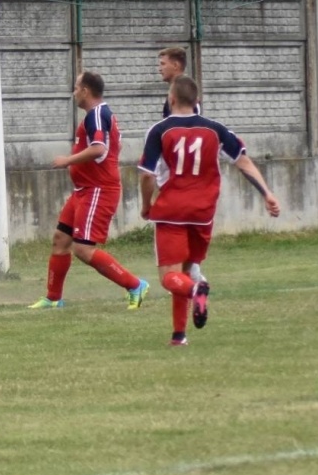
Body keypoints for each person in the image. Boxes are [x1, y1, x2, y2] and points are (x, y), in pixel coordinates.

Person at [139, 75, 280, 346]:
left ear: (171, 100)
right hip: (203, 213)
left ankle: (196, 289)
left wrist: (146, 205)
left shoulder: (160, 130)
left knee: (169, 277)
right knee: (186, 267)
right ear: (197, 101)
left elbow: (146, 175)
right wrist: (267, 193)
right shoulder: (216, 129)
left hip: (171, 211)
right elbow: (243, 162)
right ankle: (179, 336)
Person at [29, 72, 148, 310]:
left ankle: (135, 284)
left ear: (85, 90)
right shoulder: (99, 114)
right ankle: (53, 298)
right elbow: (108, 146)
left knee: (82, 248)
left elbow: (98, 148)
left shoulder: (96, 114)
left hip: (98, 190)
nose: (73, 92)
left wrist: (68, 160)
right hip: (84, 190)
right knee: (61, 240)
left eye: (76, 88)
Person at [157, 46, 208, 294]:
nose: (160, 67)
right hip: (174, 176)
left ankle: (193, 279)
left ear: (176, 66)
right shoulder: (173, 95)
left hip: (181, 180)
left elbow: (192, 132)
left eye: (163, 63)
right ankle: (193, 278)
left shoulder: (186, 99)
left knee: (171, 263)